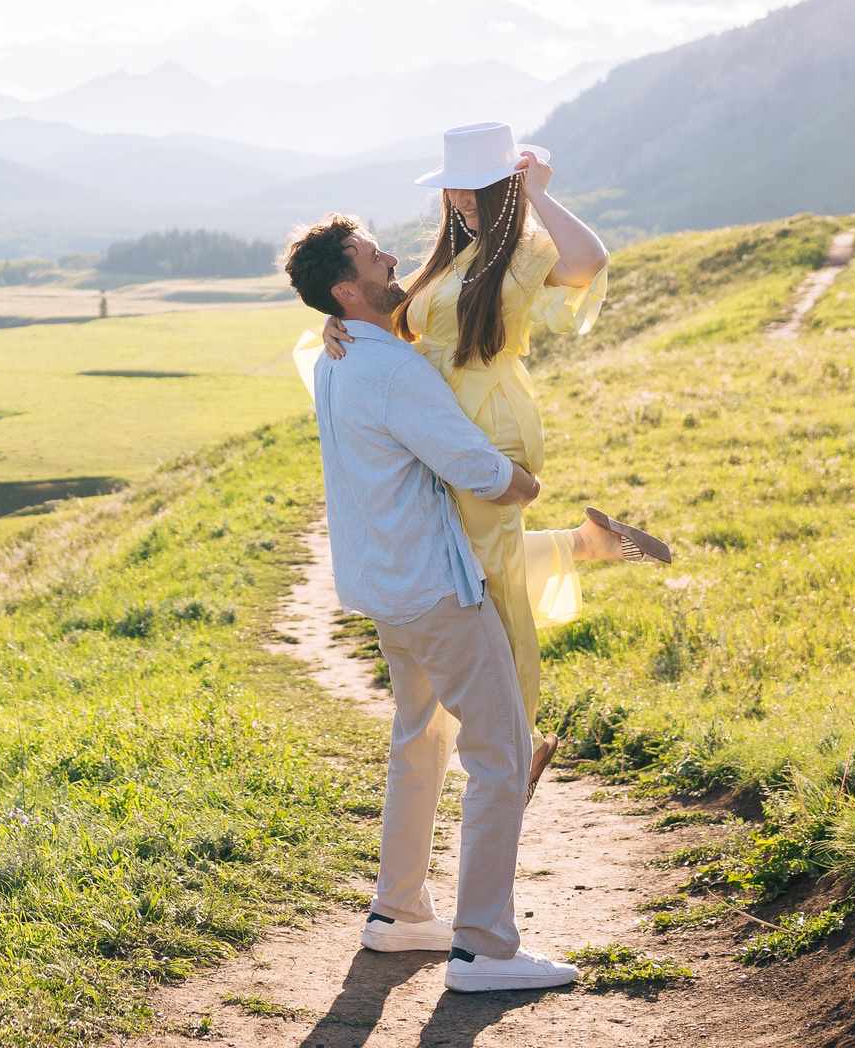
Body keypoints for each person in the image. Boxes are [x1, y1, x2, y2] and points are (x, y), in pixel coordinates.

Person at [314, 124, 670, 792]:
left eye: (480, 188)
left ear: (507, 185)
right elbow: (402, 319)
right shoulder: (455, 254)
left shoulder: (525, 251)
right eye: (457, 187)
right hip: (441, 423)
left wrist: (537, 194)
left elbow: (590, 262)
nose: (465, 200)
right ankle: (586, 546)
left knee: (489, 582)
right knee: (471, 560)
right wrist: (340, 322)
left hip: (488, 424)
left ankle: (520, 735)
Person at [279, 213, 581, 992]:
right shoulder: (388, 368)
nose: (392, 260)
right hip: (437, 591)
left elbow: (352, 333)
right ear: (348, 289)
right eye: (374, 257)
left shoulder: (338, 357)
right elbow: (471, 465)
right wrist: (525, 484)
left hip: (388, 593)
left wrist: (337, 324)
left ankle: (399, 913)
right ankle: (484, 947)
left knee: (420, 742)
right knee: (501, 754)